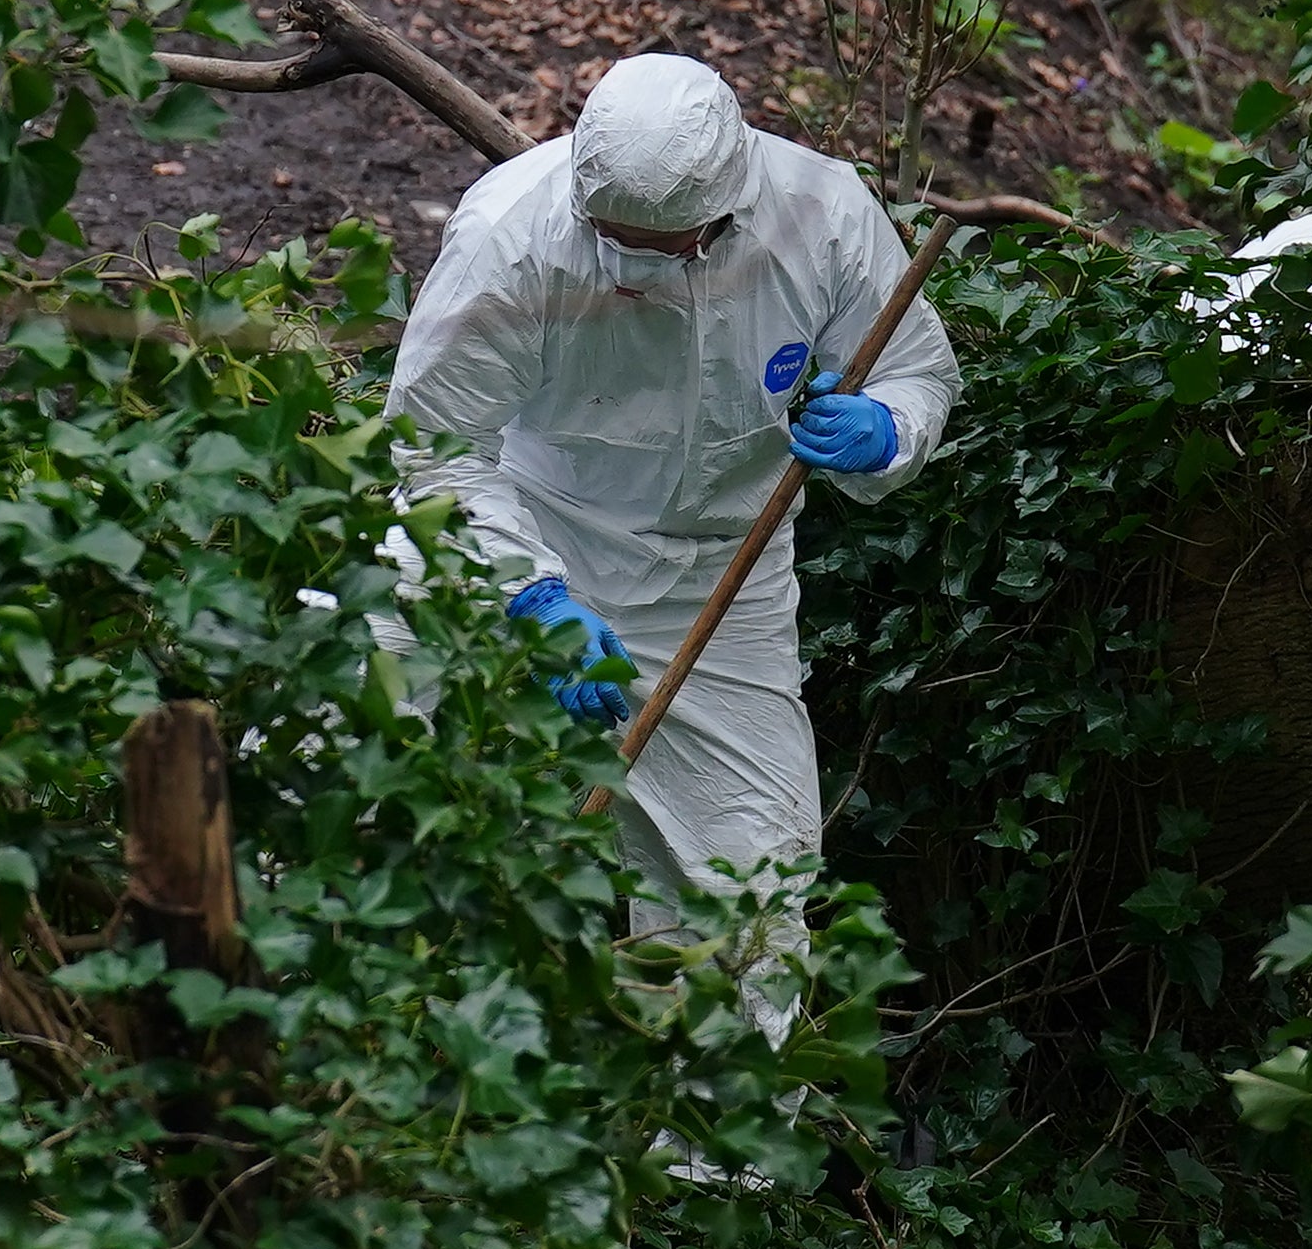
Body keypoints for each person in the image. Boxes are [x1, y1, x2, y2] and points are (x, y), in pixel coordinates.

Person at [385, 52, 957, 911]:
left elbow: (916, 371)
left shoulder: (824, 213)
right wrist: (530, 597)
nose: (642, 269)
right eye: (619, 245)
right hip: (528, 527)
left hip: (717, 579)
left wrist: (886, 432)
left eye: (671, 248)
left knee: (750, 894)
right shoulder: (511, 234)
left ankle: (711, 1038)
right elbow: (435, 452)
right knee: (345, 723)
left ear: (730, 204)